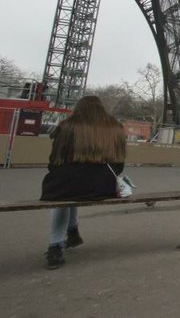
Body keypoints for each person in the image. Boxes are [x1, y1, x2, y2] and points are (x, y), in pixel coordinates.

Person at [40, 95, 127, 269]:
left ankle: (55, 246)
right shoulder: (115, 128)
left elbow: (55, 161)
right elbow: (119, 164)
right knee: (72, 189)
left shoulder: (67, 126)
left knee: (62, 194)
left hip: (68, 181)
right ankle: (72, 232)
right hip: (103, 183)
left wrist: (64, 174)